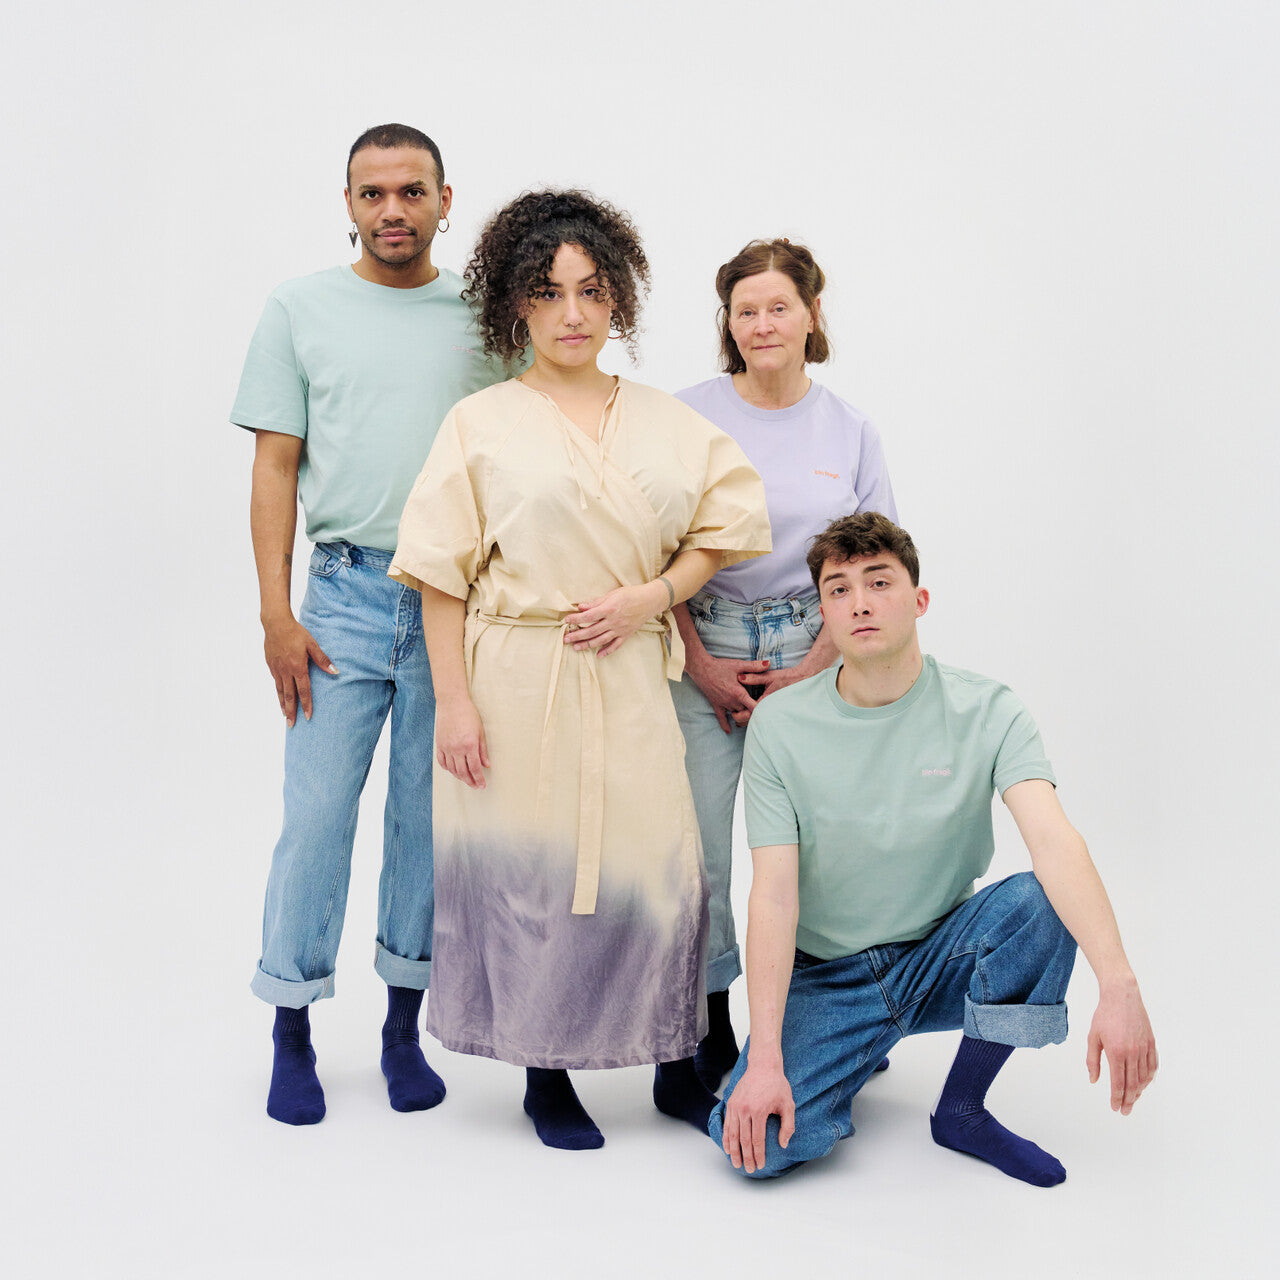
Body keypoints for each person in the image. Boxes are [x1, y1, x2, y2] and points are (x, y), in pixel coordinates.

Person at [389, 190, 772, 1150]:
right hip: (517, 678)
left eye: (593, 292)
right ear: (515, 302)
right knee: (536, 881)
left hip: (632, 675)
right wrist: (455, 706)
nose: (573, 313)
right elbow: (439, 575)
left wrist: (653, 598)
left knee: (660, 870)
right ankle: (545, 1072)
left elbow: (722, 529)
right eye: (550, 292)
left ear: (618, 302)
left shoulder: (665, 423)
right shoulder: (479, 423)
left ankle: (674, 1064)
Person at [711, 512, 1158, 1182]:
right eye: (838, 589)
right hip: (827, 973)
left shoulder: (989, 709)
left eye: (879, 582)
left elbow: (1055, 841)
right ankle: (849, 1052)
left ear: (919, 600)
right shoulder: (781, 725)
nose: (860, 602)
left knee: (1043, 901)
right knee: (755, 1149)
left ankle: (962, 1109)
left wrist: (1119, 984)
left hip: (939, 953)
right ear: (824, 615)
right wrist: (768, 1061)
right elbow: (772, 895)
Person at [231, 123, 513, 1125]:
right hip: (341, 598)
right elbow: (274, 466)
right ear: (347, 203)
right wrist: (275, 613)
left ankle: (402, 1030)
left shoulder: (486, 318)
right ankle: (291, 1027)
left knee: (426, 825)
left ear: (445, 200)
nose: (392, 210)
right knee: (315, 819)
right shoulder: (299, 308)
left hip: (453, 604)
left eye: (411, 191)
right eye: (371, 193)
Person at [671, 239, 896, 1088]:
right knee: (700, 851)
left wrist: (810, 673)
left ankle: (827, 1017)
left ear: (811, 314)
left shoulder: (850, 429)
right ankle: (706, 1028)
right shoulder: (686, 417)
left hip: (814, 644)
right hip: (706, 641)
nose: (762, 324)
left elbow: (873, 560)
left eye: (779, 307)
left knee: (819, 846)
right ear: (727, 324)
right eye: (745, 310)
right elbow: (649, 553)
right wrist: (700, 663)